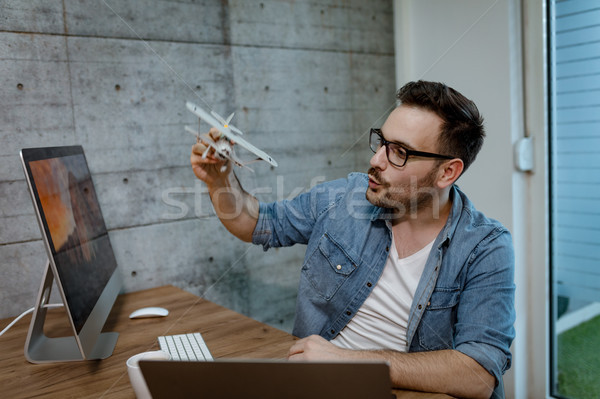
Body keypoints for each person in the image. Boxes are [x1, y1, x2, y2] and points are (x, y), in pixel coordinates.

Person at [190, 80, 515, 399]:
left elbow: (479, 374)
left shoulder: (486, 247)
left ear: (448, 173)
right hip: (316, 387)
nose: (376, 161)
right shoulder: (344, 197)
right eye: (382, 142)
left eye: (400, 152)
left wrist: (348, 363)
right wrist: (220, 180)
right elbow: (258, 223)